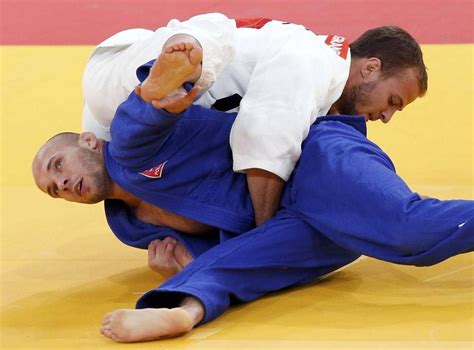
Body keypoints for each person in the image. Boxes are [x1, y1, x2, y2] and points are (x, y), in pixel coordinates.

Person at [33, 46, 473, 343]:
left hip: (314, 159)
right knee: (234, 264)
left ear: (89, 141)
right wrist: (187, 259)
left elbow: (141, 123)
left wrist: (159, 87)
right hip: (305, 230)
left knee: (409, 233)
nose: (62, 185)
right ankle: (183, 312)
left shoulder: (129, 145)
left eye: (58, 166)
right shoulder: (129, 226)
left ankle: (154, 89)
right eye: (53, 190)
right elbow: (229, 247)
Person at [82, 12, 428, 225]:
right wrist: (263, 231)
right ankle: (181, 61)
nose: (386, 116)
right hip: (124, 79)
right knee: (210, 37)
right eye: (393, 101)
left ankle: (175, 69)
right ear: (370, 67)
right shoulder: (316, 61)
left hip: (119, 119)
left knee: (153, 198)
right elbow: (265, 137)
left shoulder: (317, 72)